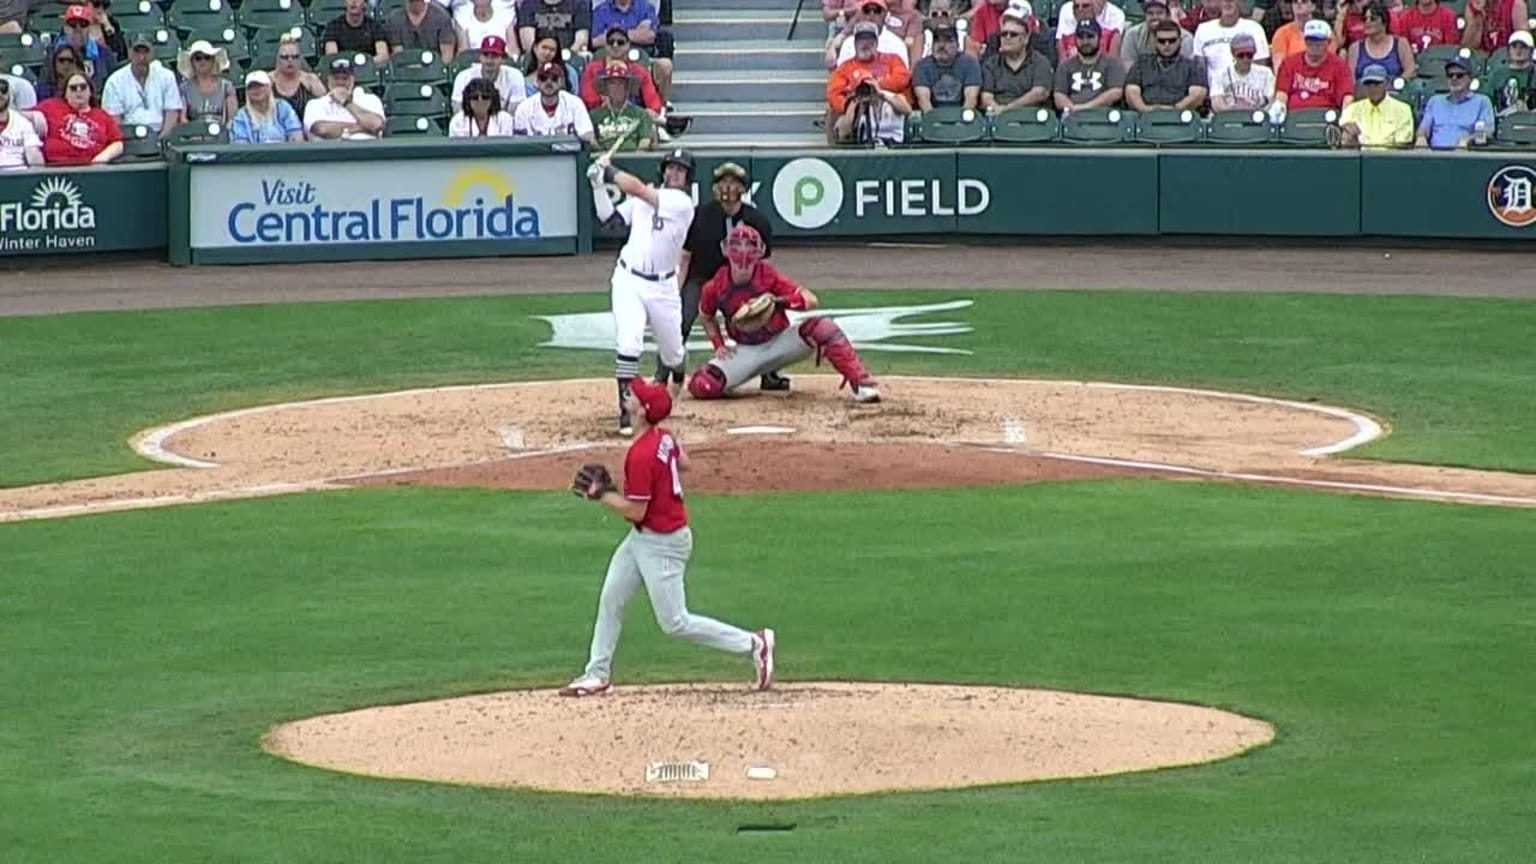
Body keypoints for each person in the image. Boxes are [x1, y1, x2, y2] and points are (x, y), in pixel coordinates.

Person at [558, 378, 776, 699]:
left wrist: (602, 495)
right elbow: (683, 464)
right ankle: (597, 674)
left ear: (644, 411)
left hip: (662, 543)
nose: (627, 395)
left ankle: (755, 645)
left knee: (675, 622)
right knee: (611, 599)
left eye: (634, 395)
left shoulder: (642, 454)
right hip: (646, 539)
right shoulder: (664, 437)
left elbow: (636, 511)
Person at [687, 224, 883, 404]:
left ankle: (860, 383)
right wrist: (718, 345)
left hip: (781, 342)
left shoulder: (768, 277)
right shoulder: (714, 287)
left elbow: (810, 299)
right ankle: (740, 378)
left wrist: (777, 301)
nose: (743, 258)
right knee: (703, 385)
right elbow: (706, 315)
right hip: (746, 350)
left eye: (749, 248)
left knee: (823, 327)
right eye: (738, 248)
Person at [585, 147, 696, 434]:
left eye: (680, 170)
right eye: (671, 167)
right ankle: (626, 411)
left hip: (663, 286)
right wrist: (598, 185)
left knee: (672, 355)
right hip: (628, 279)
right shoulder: (645, 198)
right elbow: (610, 222)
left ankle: (676, 380)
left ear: (687, 178)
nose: (674, 173)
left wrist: (606, 170)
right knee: (628, 343)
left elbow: (634, 187)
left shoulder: (682, 204)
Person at [656, 161, 781, 391]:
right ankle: (661, 376)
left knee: (762, 318)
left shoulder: (757, 220)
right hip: (701, 277)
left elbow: (764, 262)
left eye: (733, 182)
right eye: (723, 182)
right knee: (680, 322)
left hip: (739, 281)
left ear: (743, 188)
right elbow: (685, 257)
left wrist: (765, 292)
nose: (728, 187)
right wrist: (675, 291)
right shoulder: (699, 216)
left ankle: (769, 373)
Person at [101, 32, 182, 139]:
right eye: (137, 51)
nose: (141, 57)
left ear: (152, 53)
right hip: (129, 137)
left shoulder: (166, 76)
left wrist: (162, 138)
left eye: (146, 52)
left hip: (160, 135)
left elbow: (172, 112)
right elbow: (114, 121)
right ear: (129, 52)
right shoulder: (115, 81)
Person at [36, 72, 123, 164]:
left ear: (90, 92)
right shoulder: (51, 106)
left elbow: (117, 143)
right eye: (73, 88)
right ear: (65, 93)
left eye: (83, 87)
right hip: (55, 168)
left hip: (91, 169)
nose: (78, 90)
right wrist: (35, 115)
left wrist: (101, 158)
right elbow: (21, 115)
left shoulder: (102, 116)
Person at [1125, 18, 1208, 110]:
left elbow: (1198, 94)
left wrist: (1174, 110)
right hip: (1144, 116)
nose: (1167, 45)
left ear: (1179, 41)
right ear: (1155, 42)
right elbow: (1131, 91)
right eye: (1162, 41)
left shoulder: (1192, 66)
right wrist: (1145, 110)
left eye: (1172, 40)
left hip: (1180, 117)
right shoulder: (1141, 63)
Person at [981, 9, 1055, 111]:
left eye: (1013, 34)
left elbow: (1040, 93)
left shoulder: (1040, 62)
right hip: (998, 118)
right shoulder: (991, 64)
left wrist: (1007, 109)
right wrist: (995, 109)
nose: (1007, 38)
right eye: (1004, 34)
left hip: (1030, 118)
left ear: (1026, 39)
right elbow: (986, 97)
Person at [1415, 55, 1495, 148]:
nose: (1454, 78)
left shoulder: (1482, 101)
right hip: (1435, 155)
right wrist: (1421, 137)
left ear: (1470, 78)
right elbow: (1423, 130)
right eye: (1450, 75)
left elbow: (1487, 133)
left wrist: (1468, 140)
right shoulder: (1435, 101)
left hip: (1466, 156)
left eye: (1459, 75)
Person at [1272, 19, 1353, 110]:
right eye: (1310, 40)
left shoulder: (1339, 66)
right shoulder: (1289, 63)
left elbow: (1346, 97)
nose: (1314, 45)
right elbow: (1281, 94)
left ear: (1329, 42)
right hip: (1293, 115)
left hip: (1327, 117)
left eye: (1319, 41)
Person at [303, 56, 387, 139]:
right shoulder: (315, 104)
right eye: (336, 78)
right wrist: (362, 128)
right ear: (328, 80)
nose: (340, 82)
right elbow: (322, 130)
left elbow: (376, 125)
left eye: (345, 78)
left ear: (352, 80)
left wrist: (346, 103)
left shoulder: (370, 99)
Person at [510, 60, 594, 140]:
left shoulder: (575, 103)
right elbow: (519, 141)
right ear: (537, 82)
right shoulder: (524, 108)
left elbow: (588, 135)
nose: (548, 83)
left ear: (561, 81)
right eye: (543, 78)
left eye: (554, 78)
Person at [1338, 62, 1413, 146]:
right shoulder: (1352, 110)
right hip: (1360, 156)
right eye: (1368, 83)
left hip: (1390, 157)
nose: (1372, 88)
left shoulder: (1403, 110)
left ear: (1386, 83)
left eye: (1377, 83)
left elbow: (1401, 147)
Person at [912, 25, 983, 108]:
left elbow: (971, 98)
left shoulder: (970, 64)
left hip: (961, 114)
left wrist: (962, 119)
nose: (941, 45)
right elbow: (923, 100)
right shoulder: (922, 66)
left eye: (948, 41)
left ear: (957, 45)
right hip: (933, 115)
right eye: (937, 41)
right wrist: (932, 118)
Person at [1345, 2, 1416, 84]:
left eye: (1372, 18)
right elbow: (1351, 79)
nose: (1367, 22)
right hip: (1364, 93)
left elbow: (1410, 70)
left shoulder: (1400, 43)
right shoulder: (1355, 48)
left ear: (1384, 21)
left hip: (1393, 92)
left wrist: (1398, 83)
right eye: (1365, 19)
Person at [589, 61, 654, 151]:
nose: (616, 87)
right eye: (612, 83)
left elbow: (645, 142)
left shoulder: (641, 114)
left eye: (620, 83)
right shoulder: (594, 116)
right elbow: (592, 141)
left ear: (627, 87)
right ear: (606, 87)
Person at [450, 35, 525, 112]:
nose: (489, 61)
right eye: (485, 55)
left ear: (503, 59)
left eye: (495, 56)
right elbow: (458, 110)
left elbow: (515, 112)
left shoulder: (515, 76)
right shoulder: (464, 77)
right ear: (480, 57)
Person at [230, 70, 304, 143]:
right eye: (251, 87)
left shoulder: (283, 107)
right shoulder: (241, 117)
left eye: (260, 85)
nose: (256, 90)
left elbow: (296, 135)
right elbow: (241, 145)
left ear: (269, 87)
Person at [177, 40, 237, 125]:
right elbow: (182, 118)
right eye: (198, 58)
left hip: (221, 133)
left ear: (213, 60)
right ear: (192, 62)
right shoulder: (184, 88)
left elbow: (232, 118)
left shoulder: (226, 86)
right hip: (193, 133)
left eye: (207, 57)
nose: (203, 61)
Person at [1209, 30, 1275, 109]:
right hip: (1230, 117)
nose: (1245, 59)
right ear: (1233, 54)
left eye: (1249, 55)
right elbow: (1217, 103)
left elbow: (1272, 100)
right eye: (1241, 55)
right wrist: (1236, 113)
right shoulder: (1220, 74)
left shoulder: (1265, 73)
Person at [270, 32, 327, 121]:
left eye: (295, 57)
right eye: (285, 57)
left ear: (300, 59)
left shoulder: (310, 80)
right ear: (277, 59)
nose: (290, 60)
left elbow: (327, 105)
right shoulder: (268, 80)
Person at [324, 0, 391, 66]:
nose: (354, 1)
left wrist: (363, 64)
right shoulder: (333, 26)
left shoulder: (375, 27)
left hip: (369, 71)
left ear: (365, 4)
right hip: (343, 71)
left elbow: (383, 56)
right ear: (344, 2)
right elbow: (331, 56)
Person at [388, 0, 457, 62]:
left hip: (435, 72)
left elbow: (447, 57)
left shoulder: (442, 18)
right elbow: (398, 55)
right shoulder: (395, 18)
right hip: (406, 71)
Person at [448, 75, 516, 135]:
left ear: (492, 99)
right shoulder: (457, 122)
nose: (480, 100)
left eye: (485, 97)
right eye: (475, 97)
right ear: (468, 100)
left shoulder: (504, 119)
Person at [0, 78, 44, 169]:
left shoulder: (22, 123)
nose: (0, 94)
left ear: (9, 94)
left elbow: (33, 153)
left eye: (3, 90)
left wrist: (38, 177)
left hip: (17, 175)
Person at [1487, 30, 1535, 115]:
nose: (1518, 51)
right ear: (1508, 49)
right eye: (1514, 46)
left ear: (1531, 50)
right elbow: (1488, 102)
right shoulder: (1498, 74)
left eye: (1523, 47)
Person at [520, 29, 582, 94]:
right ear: (535, 48)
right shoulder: (525, 82)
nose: (547, 53)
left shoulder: (570, 73)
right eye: (544, 47)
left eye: (552, 50)